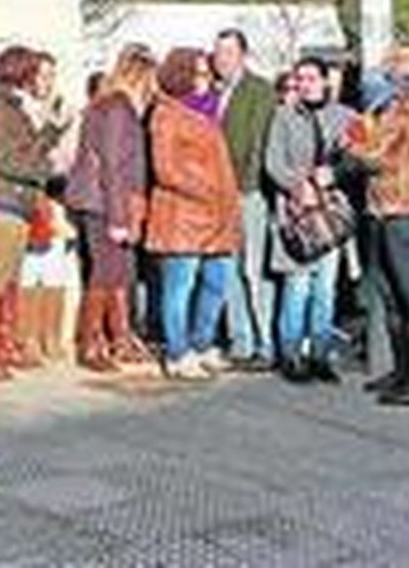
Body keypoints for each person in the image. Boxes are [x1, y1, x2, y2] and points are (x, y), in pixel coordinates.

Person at [343, 43, 409, 407]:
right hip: (392, 207)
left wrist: (353, 147)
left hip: (408, 208)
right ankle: (404, 372)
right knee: (393, 295)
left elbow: (383, 156)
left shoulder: (407, 106)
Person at [146, 48, 242, 381]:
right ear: (181, 76)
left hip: (216, 216)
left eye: (208, 73)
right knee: (179, 287)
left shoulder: (210, 111)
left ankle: (201, 344)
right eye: (199, 73)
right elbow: (165, 169)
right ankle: (177, 352)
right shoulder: (167, 114)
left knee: (217, 282)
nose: (207, 80)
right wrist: (207, 191)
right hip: (183, 216)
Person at [0, 46, 66, 380]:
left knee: (10, 280)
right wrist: (44, 170)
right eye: (33, 71)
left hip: (17, 203)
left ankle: (5, 343)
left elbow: (26, 151)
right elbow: (0, 158)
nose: (37, 78)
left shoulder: (13, 107)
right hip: (0, 202)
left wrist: (52, 131)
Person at [265, 56, 355, 383]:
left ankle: (320, 352)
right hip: (298, 213)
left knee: (325, 288)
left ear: (324, 81)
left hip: (329, 214)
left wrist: (337, 169)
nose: (304, 84)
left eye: (310, 78)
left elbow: (358, 155)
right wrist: (296, 184)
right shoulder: (284, 117)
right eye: (299, 79)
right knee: (298, 283)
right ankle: (290, 353)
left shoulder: (342, 116)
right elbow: (273, 162)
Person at [66, 45, 156, 371]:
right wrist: (119, 217)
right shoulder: (119, 108)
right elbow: (114, 166)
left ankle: (116, 339)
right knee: (105, 274)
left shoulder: (106, 104)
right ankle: (89, 344)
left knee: (114, 273)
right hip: (103, 202)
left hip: (100, 200)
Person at [213, 28, 278, 373]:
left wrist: (249, 187)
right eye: (217, 52)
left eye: (227, 52)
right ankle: (241, 341)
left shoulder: (259, 90)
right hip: (221, 195)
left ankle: (265, 342)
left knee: (255, 269)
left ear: (243, 54)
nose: (221, 59)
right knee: (230, 269)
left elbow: (258, 142)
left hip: (248, 192)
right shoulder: (216, 92)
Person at [17, 51, 78, 364]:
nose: (47, 81)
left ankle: (50, 335)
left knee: (56, 269)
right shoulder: (22, 108)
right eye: (42, 75)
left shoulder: (64, 108)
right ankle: (26, 338)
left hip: (59, 191)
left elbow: (70, 149)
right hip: (29, 193)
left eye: (51, 75)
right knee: (30, 269)